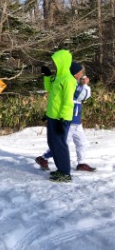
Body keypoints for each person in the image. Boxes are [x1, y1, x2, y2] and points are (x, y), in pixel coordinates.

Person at [35, 63, 95, 172]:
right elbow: (83, 95)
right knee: (61, 144)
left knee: (82, 142)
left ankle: (81, 163)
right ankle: (43, 158)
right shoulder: (70, 83)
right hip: (68, 120)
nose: (82, 74)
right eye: (80, 72)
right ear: (75, 73)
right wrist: (85, 85)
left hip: (76, 121)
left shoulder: (74, 83)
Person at [40, 49, 78, 183]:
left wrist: (62, 119)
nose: (54, 65)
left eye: (56, 63)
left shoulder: (68, 79)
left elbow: (67, 101)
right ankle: (60, 169)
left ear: (62, 62)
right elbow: (50, 91)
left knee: (60, 145)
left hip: (61, 118)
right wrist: (47, 76)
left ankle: (65, 173)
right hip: (52, 116)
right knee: (53, 143)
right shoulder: (58, 77)